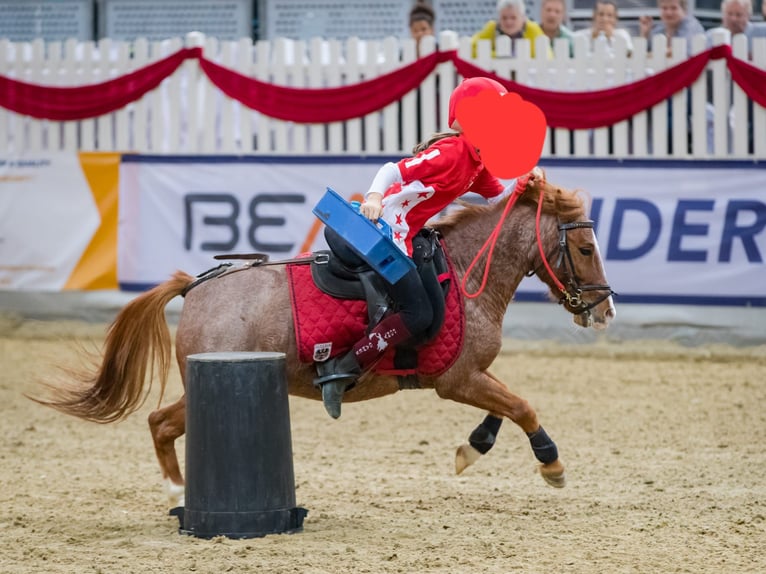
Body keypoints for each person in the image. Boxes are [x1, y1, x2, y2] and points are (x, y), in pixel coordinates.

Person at [315, 77, 517, 419]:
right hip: (383, 233)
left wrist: (529, 181)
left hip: (405, 236)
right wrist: (375, 197)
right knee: (418, 314)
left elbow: (501, 199)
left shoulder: (478, 163)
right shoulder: (452, 152)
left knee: (430, 315)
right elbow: (392, 170)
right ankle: (341, 369)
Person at [471, 0, 548, 58]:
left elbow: (546, 55)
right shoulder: (492, 27)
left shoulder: (532, 29)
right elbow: (472, 48)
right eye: (504, 18)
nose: (508, 22)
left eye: (513, 18)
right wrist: (498, 56)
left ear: (523, 18)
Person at [639, 0, 704, 56]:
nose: (669, 13)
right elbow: (641, 53)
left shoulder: (691, 26)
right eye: (664, 8)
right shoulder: (660, 29)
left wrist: (655, 54)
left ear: (684, 10)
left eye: (674, 8)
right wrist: (645, 34)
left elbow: (682, 51)